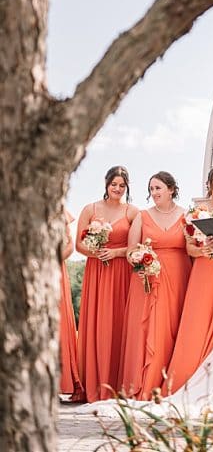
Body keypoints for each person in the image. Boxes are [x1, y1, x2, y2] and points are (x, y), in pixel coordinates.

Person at [163, 165, 213, 394]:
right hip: (204, 271)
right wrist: (204, 250)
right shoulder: (197, 211)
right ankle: (185, 381)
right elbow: (189, 249)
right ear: (210, 183)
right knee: (196, 323)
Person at [121, 171, 191, 399]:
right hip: (147, 279)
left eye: (158, 188)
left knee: (173, 329)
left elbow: (193, 246)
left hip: (178, 277)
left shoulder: (185, 215)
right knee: (148, 329)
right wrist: (138, 258)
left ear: (171, 189)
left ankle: (170, 383)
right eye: (151, 189)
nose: (154, 193)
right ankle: (144, 383)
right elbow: (131, 249)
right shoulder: (142, 216)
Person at [76, 166, 138, 402]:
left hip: (121, 270)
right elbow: (78, 245)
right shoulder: (90, 209)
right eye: (114, 184)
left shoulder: (132, 212)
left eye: (122, 185)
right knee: (97, 323)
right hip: (97, 271)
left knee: (118, 323)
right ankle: (93, 383)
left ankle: (117, 383)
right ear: (106, 184)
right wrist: (95, 252)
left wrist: (117, 253)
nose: (118, 189)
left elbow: (137, 244)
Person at [59, 209, 85, 402]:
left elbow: (70, 245)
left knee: (59, 325)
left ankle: (59, 383)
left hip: (54, 270)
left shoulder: (59, 210)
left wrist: (52, 259)